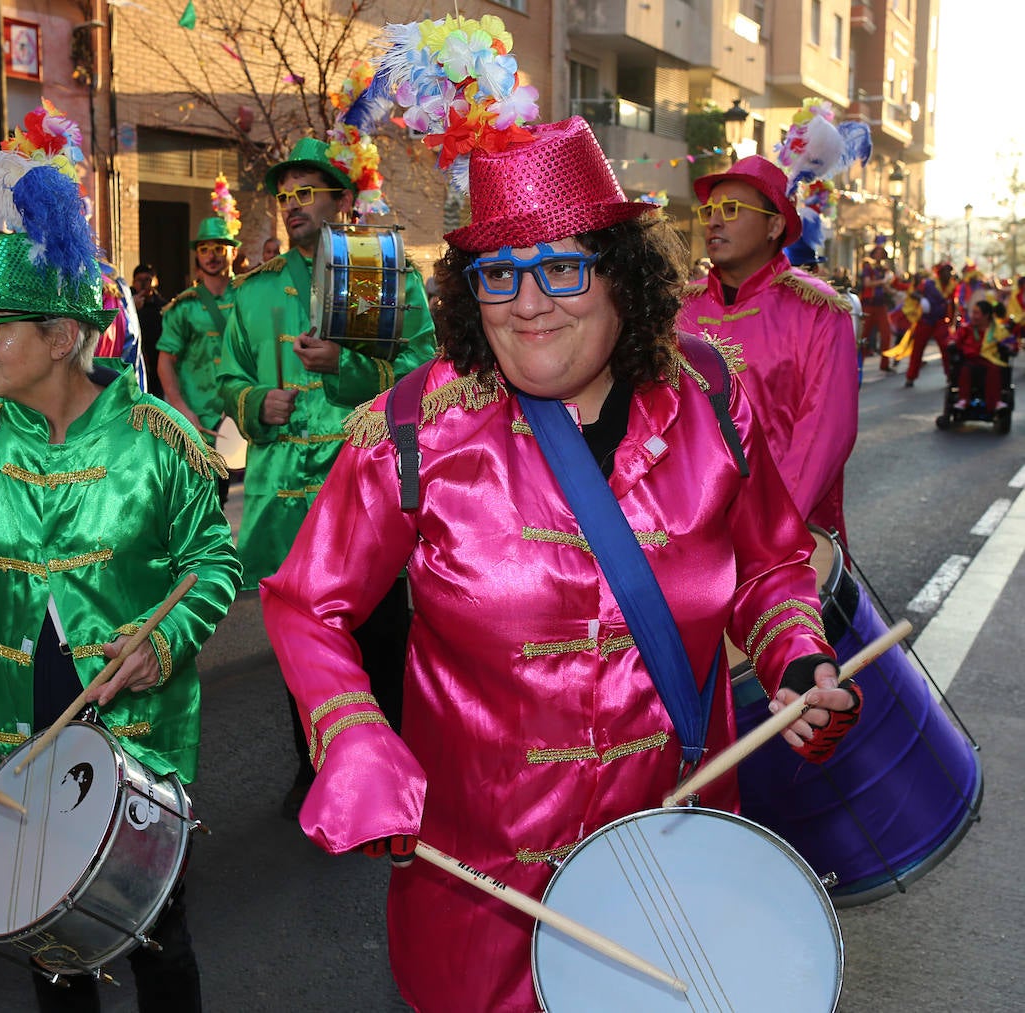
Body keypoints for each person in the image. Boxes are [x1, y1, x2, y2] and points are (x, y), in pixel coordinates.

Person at [258, 116, 861, 1012]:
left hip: (676, 867)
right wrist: (353, 731)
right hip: (479, 893)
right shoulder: (415, 431)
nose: (528, 301)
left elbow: (771, 565)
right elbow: (309, 603)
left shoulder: (712, 396)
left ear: (623, 274)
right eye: (498, 274)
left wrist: (798, 660)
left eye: (562, 266)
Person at [0, 174, 242, 1011]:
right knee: (50, 944)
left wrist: (162, 639)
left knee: (156, 936)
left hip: (138, 737)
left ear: (64, 335)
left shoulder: (159, 438)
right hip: (15, 737)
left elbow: (213, 565)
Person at [217, 136, 437, 817]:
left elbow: (426, 369)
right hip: (286, 492)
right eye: (284, 194)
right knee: (301, 642)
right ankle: (317, 768)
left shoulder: (375, 273)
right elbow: (229, 376)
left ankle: (392, 768)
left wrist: (344, 365)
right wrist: (256, 403)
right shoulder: (252, 292)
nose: (293, 205)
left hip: (364, 483)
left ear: (341, 200)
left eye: (307, 191)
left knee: (379, 637)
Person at [678, 154, 859, 541]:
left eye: (731, 209)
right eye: (710, 210)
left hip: (783, 529)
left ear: (774, 225)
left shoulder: (818, 311)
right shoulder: (678, 309)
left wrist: (774, 531)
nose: (714, 221)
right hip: (688, 530)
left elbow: (823, 436)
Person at [158, 217, 238, 502]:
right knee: (203, 499)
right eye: (205, 249)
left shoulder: (247, 299)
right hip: (199, 420)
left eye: (219, 248)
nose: (212, 255)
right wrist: (181, 409)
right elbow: (165, 361)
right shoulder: (184, 306)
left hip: (239, 415)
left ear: (233, 252)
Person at [949, 298, 1013, 411]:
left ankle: (995, 402)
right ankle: (963, 400)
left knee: (994, 370)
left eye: (976, 313)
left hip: (991, 361)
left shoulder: (998, 330)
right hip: (971, 360)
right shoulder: (966, 329)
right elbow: (955, 339)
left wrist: (1010, 347)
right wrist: (952, 343)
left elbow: (1011, 343)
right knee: (965, 369)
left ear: (986, 315)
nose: (973, 316)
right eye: (973, 312)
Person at [904, 262, 954, 388]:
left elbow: (951, 303)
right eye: (945, 271)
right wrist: (922, 299)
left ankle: (951, 377)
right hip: (926, 320)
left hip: (941, 321)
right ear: (940, 273)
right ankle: (911, 376)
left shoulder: (952, 286)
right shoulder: (929, 284)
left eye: (950, 271)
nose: (948, 274)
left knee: (947, 348)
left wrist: (951, 320)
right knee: (917, 349)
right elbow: (913, 293)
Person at [859, 241, 898, 370]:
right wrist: (882, 282)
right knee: (864, 336)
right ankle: (858, 364)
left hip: (881, 305)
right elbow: (867, 284)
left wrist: (898, 293)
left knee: (886, 335)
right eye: (877, 253)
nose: (879, 256)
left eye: (882, 253)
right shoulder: (868, 268)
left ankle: (885, 364)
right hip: (868, 306)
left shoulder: (885, 270)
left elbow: (887, 287)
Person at [131, 263, 167, 396]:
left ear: (155, 281)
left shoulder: (162, 306)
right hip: (135, 358)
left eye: (147, 280)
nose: (143, 284)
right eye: (139, 280)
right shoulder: (127, 302)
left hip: (156, 358)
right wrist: (132, 309)